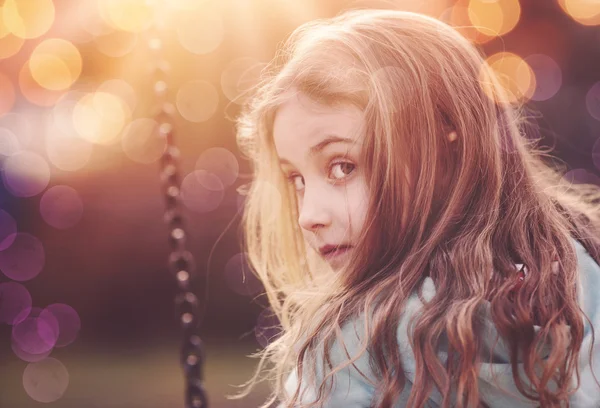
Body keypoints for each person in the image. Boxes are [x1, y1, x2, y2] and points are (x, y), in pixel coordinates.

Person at [230, 8, 600, 407]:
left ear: (443, 148)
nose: (308, 216)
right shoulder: (579, 278)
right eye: (297, 180)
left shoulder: (354, 349)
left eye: (342, 166)